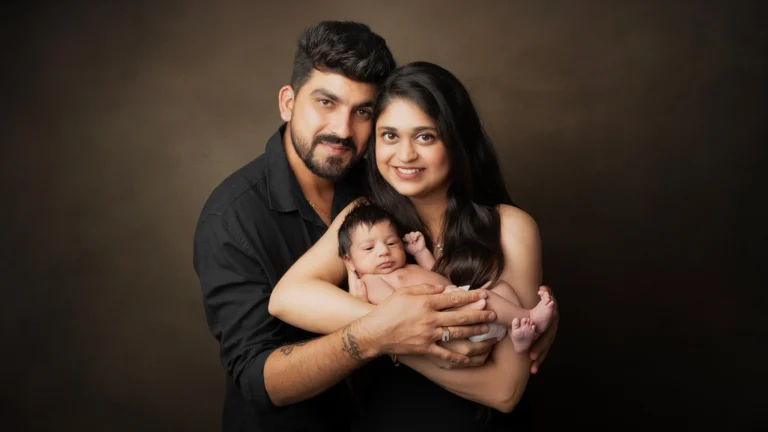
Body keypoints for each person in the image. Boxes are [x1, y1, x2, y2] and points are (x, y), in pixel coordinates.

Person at [193, 21, 509, 432]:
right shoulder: (231, 218)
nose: (343, 130)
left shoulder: (386, 178)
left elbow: (461, 251)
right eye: (326, 102)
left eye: (363, 112)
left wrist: (520, 314)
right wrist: (379, 334)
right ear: (288, 102)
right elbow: (258, 378)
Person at [269, 61, 559, 430]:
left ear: (456, 141)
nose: (404, 155)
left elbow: (503, 390)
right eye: (389, 135)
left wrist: (392, 334)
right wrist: (392, 332)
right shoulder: (366, 220)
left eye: (425, 137)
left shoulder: (511, 227)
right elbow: (287, 298)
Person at [336, 201, 555, 353]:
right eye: (368, 248)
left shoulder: (407, 267)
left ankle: (518, 334)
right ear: (349, 259)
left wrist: (421, 253)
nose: (383, 251)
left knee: (503, 288)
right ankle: (529, 317)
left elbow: (439, 277)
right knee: (483, 298)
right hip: (446, 319)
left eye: (392, 243)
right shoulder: (371, 280)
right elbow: (393, 310)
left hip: (463, 302)